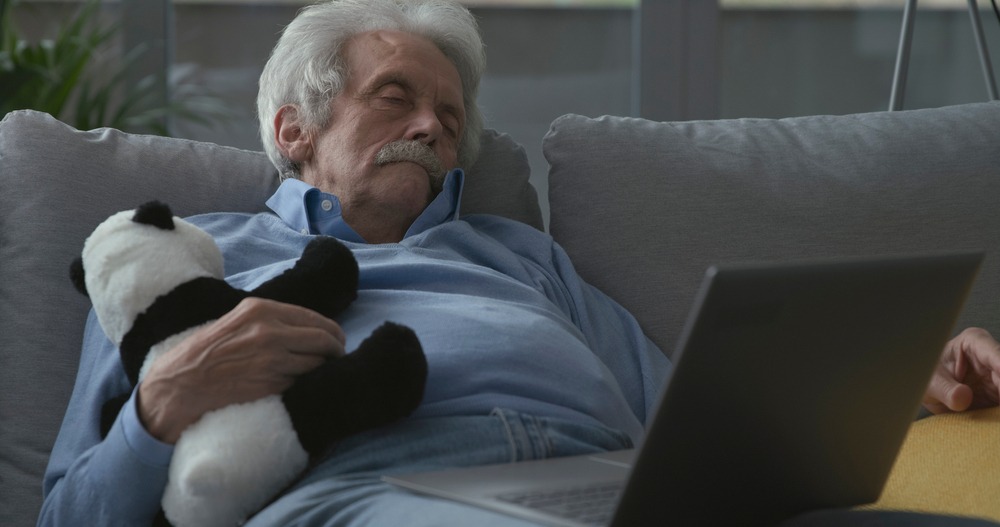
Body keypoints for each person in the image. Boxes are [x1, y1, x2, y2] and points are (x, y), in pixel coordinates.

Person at [39, 0, 1000, 525]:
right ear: (295, 127)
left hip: (617, 492)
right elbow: (70, 515)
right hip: (380, 493)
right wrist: (162, 407)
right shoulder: (184, 261)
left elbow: (700, 417)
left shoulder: (522, 257)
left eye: (449, 117)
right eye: (396, 98)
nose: (431, 125)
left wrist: (901, 377)